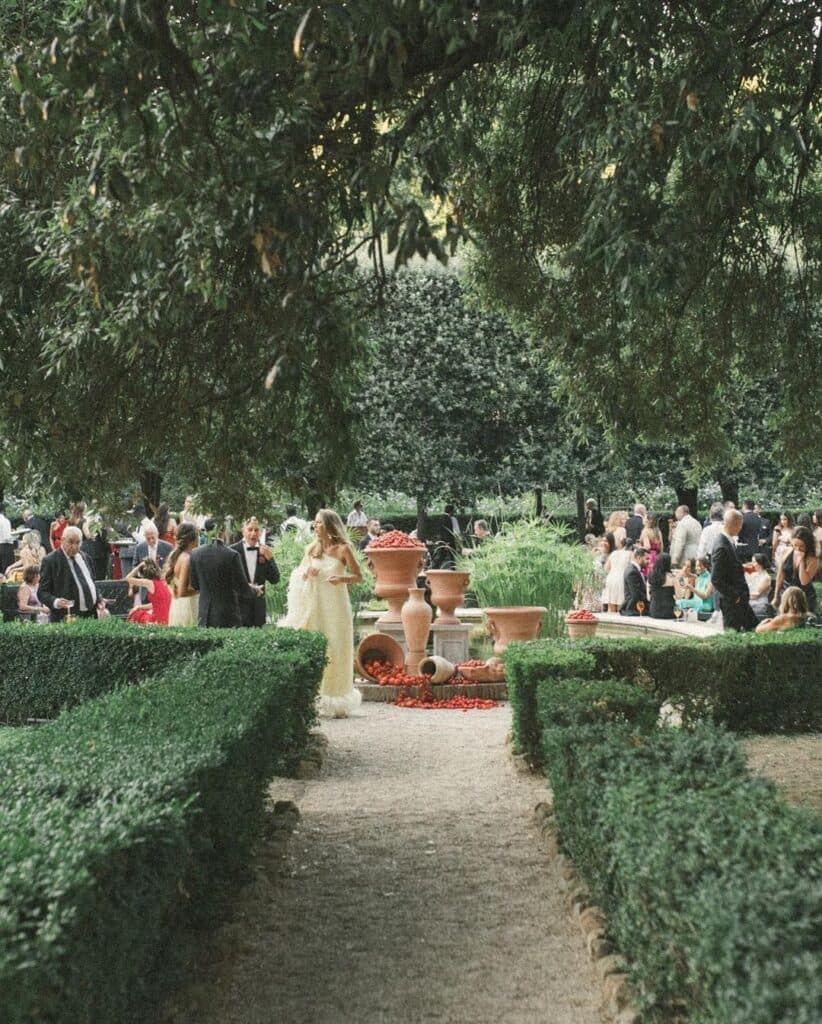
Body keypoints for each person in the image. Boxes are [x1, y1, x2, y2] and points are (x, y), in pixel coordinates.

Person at [279, 508, 363, 718]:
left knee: (336, 646)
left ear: (329, 525)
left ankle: (337, 698)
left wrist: (341, 579)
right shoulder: (311, 549)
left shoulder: (344, 549)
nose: (315, 526)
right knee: (320, 647)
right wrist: (307, 574)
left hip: (336, 606)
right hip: (315, 605)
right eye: (315, 523)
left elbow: (358, 576)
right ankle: (314, 697)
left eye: (318, 523)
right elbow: (299, 576)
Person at [189, 531, 258, 628]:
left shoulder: (195, 553)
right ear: (222, 532)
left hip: (204, 614)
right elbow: (243, 589)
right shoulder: (232, 555)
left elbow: (195, 585)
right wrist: (255, 590)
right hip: (228, 615)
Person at [39, 526, 107, 621]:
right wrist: (56, 601)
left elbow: (91, 583)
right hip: (66, 616)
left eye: (78, 543)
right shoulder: (50, 561)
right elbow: (42, 592)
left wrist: (99, 599)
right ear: (62, 540)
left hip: (91, 614)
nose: (74, 546)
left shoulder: (86, 558)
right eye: (70, 542)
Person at [710, 510, 757, 632]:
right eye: (740, 524)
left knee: (752, 628)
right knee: (734, 633)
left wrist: (742, 567)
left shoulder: (727, 541)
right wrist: (734, 596)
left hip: (737, 598)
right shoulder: (721, 545)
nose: (741, 528)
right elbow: (716, 578)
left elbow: (727, 567)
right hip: (732, 600)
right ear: (735, 524)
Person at [229, 516, 281, 627]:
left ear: (261, 532)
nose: (253, 533)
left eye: (256, 530)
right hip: (238, 605)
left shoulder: (265, 551)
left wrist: (270, 559)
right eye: (250, 529)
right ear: (243, 531)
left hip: (258, 607)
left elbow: (275, 579)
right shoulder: (232, 551)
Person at [773, 525, 818, 616]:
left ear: (807, 545)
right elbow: (780, 575)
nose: (797, 549)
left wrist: (801, 560)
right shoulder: (786, 552)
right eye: (795, 545)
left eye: (801, 546)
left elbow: (804, 581)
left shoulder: (812, 559)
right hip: (786, 592)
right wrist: (776, 596)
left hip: (804, 595)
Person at [165, 522, 201, 626]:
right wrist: (202, 590)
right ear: (192, 539)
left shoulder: (177, 555)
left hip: (178, 605)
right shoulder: (187, 559)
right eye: (198, 535)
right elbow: (182, 592)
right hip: (187, 606)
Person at [126, 558, 173, 625]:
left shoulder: (149, 583)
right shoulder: (163, 583)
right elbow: (156, 604)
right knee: (140, 611)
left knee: (135, 614)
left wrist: (139, 565)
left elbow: (128, 578)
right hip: (167, 619)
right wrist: (139, 606)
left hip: (158, 620)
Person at [603, 534, 632, 612]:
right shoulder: (630, 554)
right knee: (620, 605)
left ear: (621, 544)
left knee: (610, 605)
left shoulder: (614, 553)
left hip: (611, 578)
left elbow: (606, 568)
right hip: (621, 579)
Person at [620, 547, 650, 616]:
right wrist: (650, 599)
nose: (649, 561)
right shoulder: (632, 571)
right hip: (634, 608)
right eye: (647, 559)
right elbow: (636, 594)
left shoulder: (634, 569)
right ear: (639, 558)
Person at [647, 552, 677, 619]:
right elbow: (679, 595)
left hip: (654, 611)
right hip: (669, 611)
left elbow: (648, 598)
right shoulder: (672, 577)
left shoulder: (650, 576)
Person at [746, 553, 772, 621]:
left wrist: (742, 597)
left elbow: (756, 595)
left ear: (760, 563)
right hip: (750, 601)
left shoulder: (766, 578)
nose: (751, 563)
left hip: (759, 604)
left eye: (754, 562)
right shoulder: (753, 573)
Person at [0, 502, 13, 573]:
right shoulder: (7, 521)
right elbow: (8, 536)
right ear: (3, 511)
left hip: (1, 545)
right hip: (8, 546)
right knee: (7, 568)